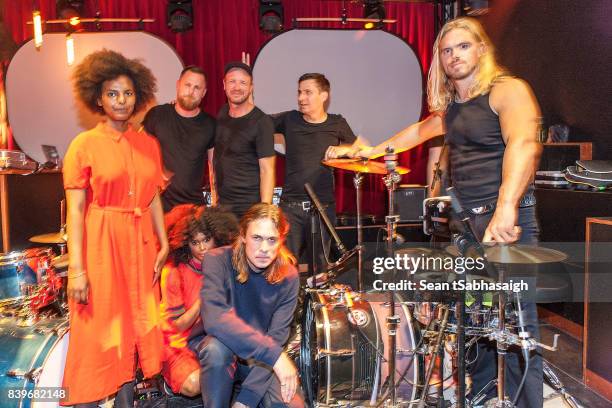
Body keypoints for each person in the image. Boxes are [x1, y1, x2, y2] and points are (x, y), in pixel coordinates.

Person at [328, 17, 543, 408]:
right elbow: (415, 133)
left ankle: (525, 402)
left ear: (481, 49)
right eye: (446, 50)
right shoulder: (455, 108)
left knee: (515, 325)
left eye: (463, 46)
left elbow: (524, 145)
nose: (454, 55)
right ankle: (480, 398)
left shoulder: (507, 91)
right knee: (474, 323)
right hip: (470, 225)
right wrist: (367, 152)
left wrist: (506, 207)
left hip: (506, 219)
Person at [62, 49, 168, 406]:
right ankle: (87, 398)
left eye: (127, 93)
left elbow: (153, 196)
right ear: (98, 98)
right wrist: (77, 269)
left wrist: (164, 242)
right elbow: (75, 212)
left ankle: (127, 398)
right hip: (103, 243)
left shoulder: (149, 144)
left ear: (138, 95)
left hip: (142, 244)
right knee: (99, 328)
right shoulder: (84, 144)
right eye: (112, 93)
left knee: (137, 325)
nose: (121, 100)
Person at [195, 203, 303, 408]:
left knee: (291, 405)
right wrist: (274, 355)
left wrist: (246, 400)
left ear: (281, 241)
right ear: (243, 235)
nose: (264, 248)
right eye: (257, 238)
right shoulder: (217, 260)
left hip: (259, 360)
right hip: (222, 351)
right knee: (216, 349)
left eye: (272, 240)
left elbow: (276, 338)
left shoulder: (288, 276)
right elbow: (215, 319)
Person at [272, 73, 357, 271]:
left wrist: (345, 149)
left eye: (308, 93)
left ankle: (316, 302)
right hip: (290, 208)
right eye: (299, 92)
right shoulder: (290, 119)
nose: (301, 98)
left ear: (324, 96)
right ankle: (289, 302)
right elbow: (257, 122)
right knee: (285, 267)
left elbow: (361, 148)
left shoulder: (337, 123)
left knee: (321, 268)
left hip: (322, 209)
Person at [160, 205, 238, 397]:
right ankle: (168, 381)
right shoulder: (174, 272)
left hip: (210, 338)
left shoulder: (225, 265)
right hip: (176, 342)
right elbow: (177, 328)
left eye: (206, 240)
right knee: (195, 384)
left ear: (216, 237)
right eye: (195, 242)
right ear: (185, 243)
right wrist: (203, 299)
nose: (203, 248)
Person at [143, 66, 216, 212]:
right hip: (157, 206)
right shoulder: (157, 115)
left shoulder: (210, 124)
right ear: (178, 85)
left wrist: (215, 202)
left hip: (193, 209)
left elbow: (214, 169)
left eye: (197, 88)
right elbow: (139, 154)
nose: (191, 91)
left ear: (204, 93)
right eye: (187, 85)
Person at [212, 62, 276, 219]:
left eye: (243, 82)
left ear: (251, 87)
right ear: (224, 85)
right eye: (232, 81)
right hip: (223, 207)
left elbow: (267, 170)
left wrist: (264, 212)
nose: (237, 87)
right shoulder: (222, 113)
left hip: (248, 209)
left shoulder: (261, 122)